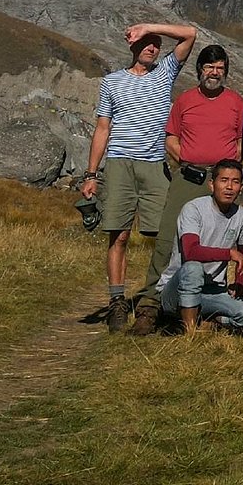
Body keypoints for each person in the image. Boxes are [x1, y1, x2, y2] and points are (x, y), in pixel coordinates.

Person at [81, 21, 196, 334]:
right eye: (146, 42)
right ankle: (117, 302)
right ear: (132, 46)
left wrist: (148, 26)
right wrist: (91, 173)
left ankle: (152, 300)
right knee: (118, 234)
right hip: (119, 164)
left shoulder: (165, 72)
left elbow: (190, 34)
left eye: (155, 43)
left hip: (154, 164)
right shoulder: (112, 82)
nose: (152, 47)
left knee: (163, 235)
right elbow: (103, 128)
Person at [130, 44, 243, 335]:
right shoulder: (185, 101)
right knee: (168, 237)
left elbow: (240, 142)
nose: (214, 73)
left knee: (224, 237)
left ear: (226, 72)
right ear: (199, 70)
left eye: (220, 68)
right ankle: (150, 305)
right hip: (189, 178)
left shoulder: (236, 102)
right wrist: (188, 160)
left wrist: (226, 173)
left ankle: (209, 303)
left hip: (222, 180)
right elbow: (170, 137)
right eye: (209, 67)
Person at [157, 160, 243, 334]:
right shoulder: (193, 209)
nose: (229, 187)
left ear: (241, 187)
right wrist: (229, 253)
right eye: (224, 180)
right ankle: (189, 331)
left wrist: (239, 283)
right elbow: (191, 251)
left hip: (213, 289)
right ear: (212, 184)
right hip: (180, 287)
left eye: (235, 182)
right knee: (193, 268)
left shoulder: (242, 215)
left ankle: (208, 319)